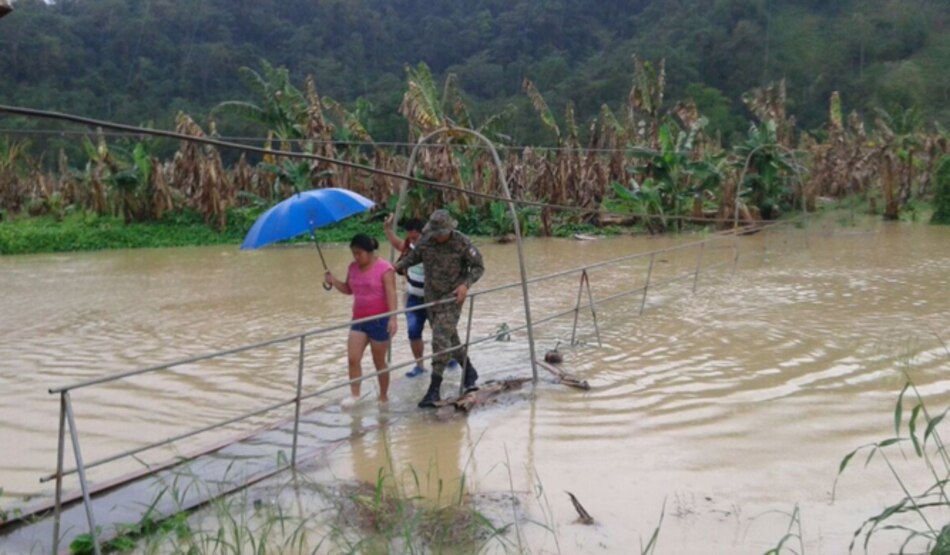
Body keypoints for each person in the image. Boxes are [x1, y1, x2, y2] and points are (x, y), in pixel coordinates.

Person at [394, 209, 484, 408]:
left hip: (452, 298)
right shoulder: (426, 241)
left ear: (449, 230)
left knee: (439, 339)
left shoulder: (461, 243)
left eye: (440, 233)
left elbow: (478, 266)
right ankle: (469, 371)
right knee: (450, 338)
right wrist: (395, 267)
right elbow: (412, 258)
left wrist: (465, 285)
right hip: (431, 299)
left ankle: (434, 389)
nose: (437, 236)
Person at [324, 234, 397, 407]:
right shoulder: (352, 268)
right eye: (354, 253)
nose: (356, 257)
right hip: (358, 319)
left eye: (359, 253)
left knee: (379, 361)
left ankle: (383, 397)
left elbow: (391, 294)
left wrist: (393, 319)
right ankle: (355, 395)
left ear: (370, 252)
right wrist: (333, 281)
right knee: (353, 358)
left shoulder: (385, 268)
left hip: (380, 320)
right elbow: (348, 289)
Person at [384, 214, 429, 378]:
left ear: (423, 234)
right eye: (410, 238)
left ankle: (449, 357)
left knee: (442, 331)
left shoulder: (434, 248)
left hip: (434, 298)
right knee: (413, 332)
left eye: (415, 237)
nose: (413, 241)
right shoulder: (409, 247)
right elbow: (397, 243)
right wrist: (388, 229)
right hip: (413, 297)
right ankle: (419, 365)